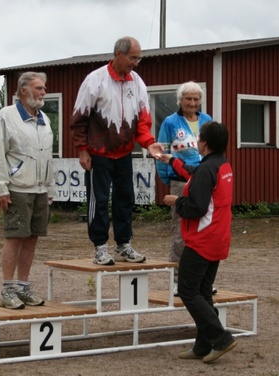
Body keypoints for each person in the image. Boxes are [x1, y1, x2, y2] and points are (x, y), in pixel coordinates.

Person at [70, 36, 164, 265]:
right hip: (98, 154)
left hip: (123, 153)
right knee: (98, 200)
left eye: (139, 58)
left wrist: (149, 142)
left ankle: (124, 245)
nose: (136, 63)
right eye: (133, 58)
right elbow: (78, 119)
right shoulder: (95, 80)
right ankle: (100, 247)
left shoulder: (137, 82)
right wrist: (82, 150)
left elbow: (143, 120)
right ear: (118, 54)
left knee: (126, 199)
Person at [162, 121, 237, 363]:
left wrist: (176, 201)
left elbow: (196, 207)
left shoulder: (207, 170)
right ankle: (203, 346)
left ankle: (221, 337)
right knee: (203, 292)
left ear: (203, 143)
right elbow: (195, 175)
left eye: (199, 138)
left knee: (186, 289)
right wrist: (170, 160)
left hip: (202, 239)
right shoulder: (222, 165)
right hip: (218, 237)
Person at [0, 71, 54, 309]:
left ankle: (23, 287)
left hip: (39, 190)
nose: (43, 92)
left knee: (32, 238)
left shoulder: (44, 119)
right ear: (23, 90)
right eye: (39, 88)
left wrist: (50, 190)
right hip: (16, 188)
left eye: (44, 88)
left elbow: (48, 158)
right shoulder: (6, 117)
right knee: (14, 237)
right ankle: (6, 290)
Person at [156, 81, 212, 295]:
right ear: (180, 100)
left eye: (196, 99)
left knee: (204, 231)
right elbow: (161, 154)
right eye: (188, 99)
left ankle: (202, 281)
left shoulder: (207, 120)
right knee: (180, 233)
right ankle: (177, 281)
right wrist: (168, 181)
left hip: (204, 181)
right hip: (179, 182)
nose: (192, 103)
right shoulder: (170, 122)